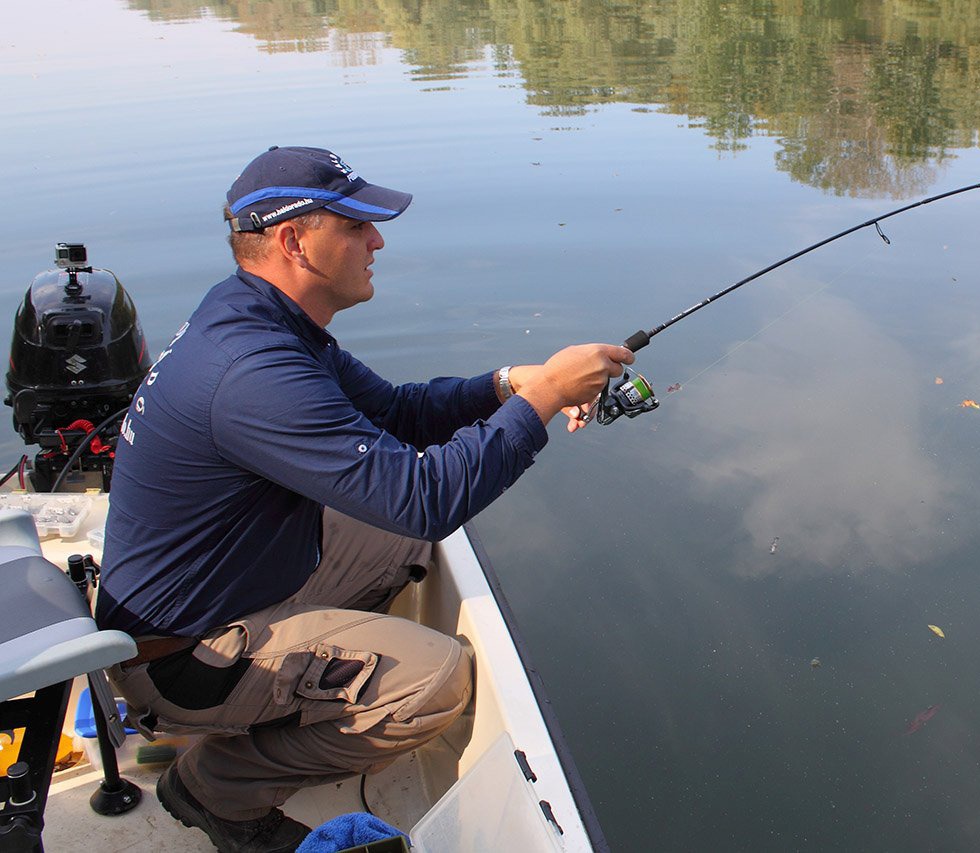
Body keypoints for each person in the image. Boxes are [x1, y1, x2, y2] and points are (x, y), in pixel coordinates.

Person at [96, 145, 633, 852]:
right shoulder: (252, 369)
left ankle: (304, 688)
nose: (376, 239)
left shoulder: (255, 314)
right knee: (438, 680)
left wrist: (508, 383)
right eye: (354, 225)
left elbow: (397, 412)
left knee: (400, 539)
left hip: (223, 591)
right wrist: (547, 397)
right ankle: (215, 783)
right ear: (293, 240)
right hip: (182, 659)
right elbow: (426, 496)